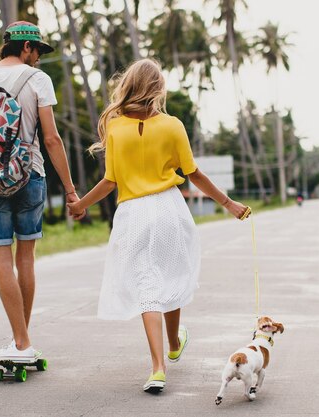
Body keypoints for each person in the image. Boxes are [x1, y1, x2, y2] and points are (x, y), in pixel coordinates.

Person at [67, 59, 250, 393]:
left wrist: (80, 204)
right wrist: (229, 203)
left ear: (129, 86)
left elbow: (110, 181)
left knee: (147, 286)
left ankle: (157, 368)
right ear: (157, 88)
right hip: (168, 209)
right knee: (170, 275)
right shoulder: (172, 125)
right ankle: (174, 343)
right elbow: (193, 173)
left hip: (132, 213)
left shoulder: (115, 126)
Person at [0, 22, 79, 361]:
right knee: (25, 257)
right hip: (30, 174)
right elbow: (52, 138)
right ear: (25, 48)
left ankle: (20, 342)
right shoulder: (37, 80)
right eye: (37, 50)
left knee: (0, 257)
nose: (39, 57)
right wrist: (70, 191)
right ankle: (22, 342)